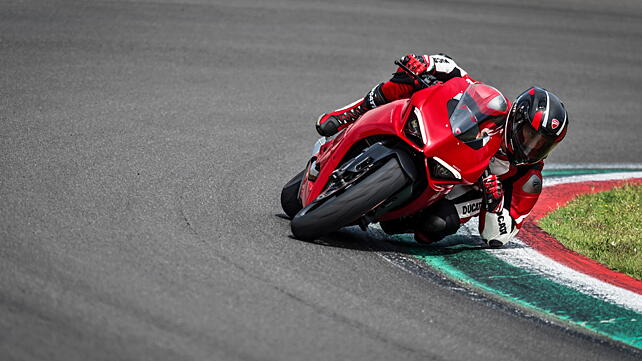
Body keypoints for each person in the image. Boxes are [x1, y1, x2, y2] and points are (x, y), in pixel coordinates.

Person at [315, 53, 569, 247]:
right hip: (439, 140)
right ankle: (352, 113)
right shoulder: (493, 107)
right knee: (408, 79)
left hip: (460, 186)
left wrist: (494, 204)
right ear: (518, 117)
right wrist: (425, 63)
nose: (531, 147)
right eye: (530, 136)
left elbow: (499, 236)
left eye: (542, 144)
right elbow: (459, 75)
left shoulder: (529, 178)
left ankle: (394, 208)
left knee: (433, 227)